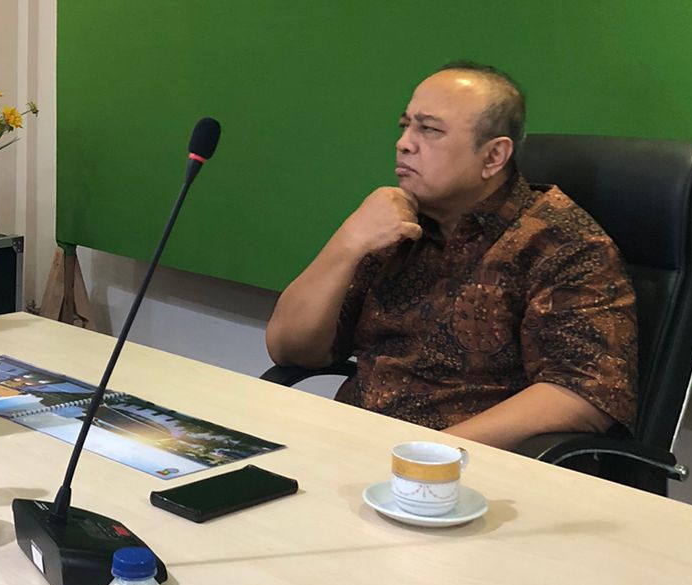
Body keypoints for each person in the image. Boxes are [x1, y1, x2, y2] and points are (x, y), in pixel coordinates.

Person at [265, 63, 637, 449]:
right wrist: (349, 241)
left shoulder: (562, 242)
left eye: (429, 129)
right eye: (405, 126)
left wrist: (420, 455)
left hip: (465, 468)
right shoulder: (394, 225)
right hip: (353, 448)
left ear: (493, 156)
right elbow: (290, 349)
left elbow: (583, 395)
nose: (404, 143)